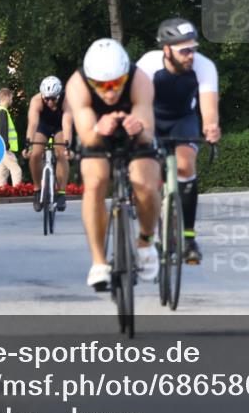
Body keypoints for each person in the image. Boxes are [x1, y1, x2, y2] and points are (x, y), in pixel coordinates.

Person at [66, 38, 161, 290]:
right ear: (91, 80)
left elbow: (148, 133)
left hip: (134, 133)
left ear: (124, 75)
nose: (110, 92)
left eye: (116, 84)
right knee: (95, 183)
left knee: (146, 183)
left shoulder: (139, 79)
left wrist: (137, 128)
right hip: (97, 133)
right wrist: (99, 129)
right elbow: (86, 136)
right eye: (102, 86)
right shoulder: (78, 84)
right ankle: (98, 262)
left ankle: (146, 241)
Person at [136, 18, 221, 264]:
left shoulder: (204, 67)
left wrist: (211, 127)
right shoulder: (148, 65)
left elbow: (209, 108)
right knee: (146, 177)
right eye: (184, 50)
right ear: (166, 50)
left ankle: (188, 238)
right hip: (151, 119)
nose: (190, 55)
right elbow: (136, 104)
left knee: (185, 165)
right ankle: (149, 228)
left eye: (193, 49)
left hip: (183, 119)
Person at [23, 75, 73, 212]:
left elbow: (67, 124)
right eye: (47, 98)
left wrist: (67, 146)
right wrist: (28, 144)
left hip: (60, 125)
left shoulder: (67, 100)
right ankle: (37, 190)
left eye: (53, 98)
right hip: (43, 125)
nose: (50, 102)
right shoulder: (36, 100)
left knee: (61, 153)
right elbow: (33, 124)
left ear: (59, 95)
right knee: (35, 154)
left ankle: (61, 193)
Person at [0, 88, 23, 187]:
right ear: (7, 97)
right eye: (11, 97)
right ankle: (18, 192)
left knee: (2, 173)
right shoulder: (2, 111)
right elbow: (2, 129)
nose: (12, 100)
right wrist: (5, 145)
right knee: (16, 170)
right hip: (4, 148)